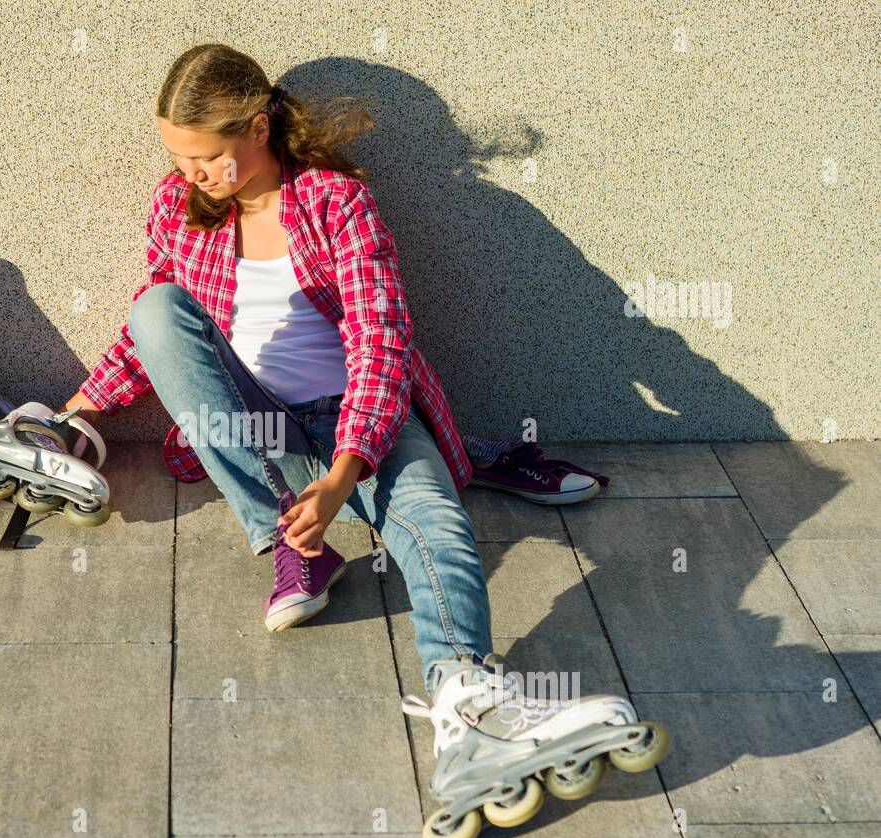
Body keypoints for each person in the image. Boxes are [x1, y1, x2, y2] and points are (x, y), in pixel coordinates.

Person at [57, 45, 607, 695]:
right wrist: (75, 414)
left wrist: (346, 473)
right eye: (178, 155)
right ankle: (292, 542)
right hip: (260, 436)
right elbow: (158, 335)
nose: (190, 173)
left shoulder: (336, 203)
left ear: (259, 129)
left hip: (357, 422)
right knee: (155, 306)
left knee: (439, 524)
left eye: (205, 156)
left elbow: (382, 344)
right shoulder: (179, 205)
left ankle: (465, 690)